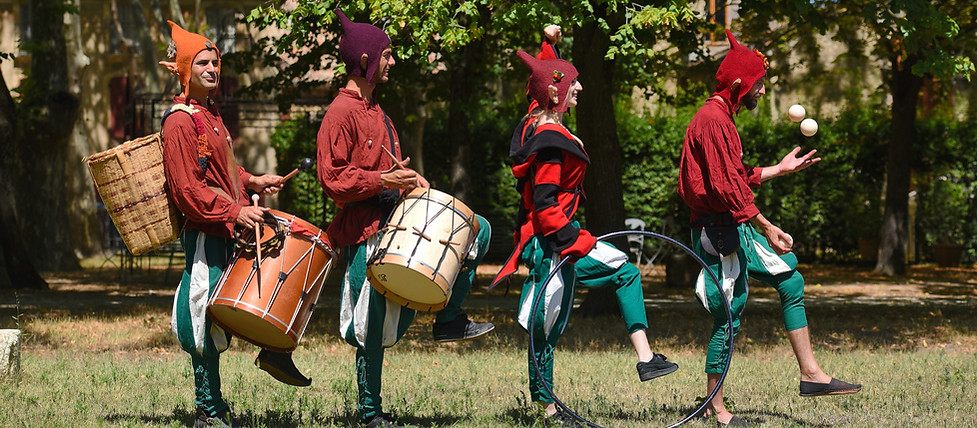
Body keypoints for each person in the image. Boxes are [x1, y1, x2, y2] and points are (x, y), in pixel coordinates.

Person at [315, 10, 494, 427]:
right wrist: (384, 180)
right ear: (365, 60)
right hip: (365, 232)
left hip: (395, 223)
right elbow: (332, 179)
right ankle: (370, 413)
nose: (393, 62)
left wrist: (410, 182)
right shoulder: (339, 113)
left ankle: (449, 317)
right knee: (370, 325)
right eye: (388, 55)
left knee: (476, 231)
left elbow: (387, 170)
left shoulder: (379, 110)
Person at [677, 29, 861, 427]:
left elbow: (734, 176)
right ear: (739, 85)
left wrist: (779, 168)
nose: (762, 91)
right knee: (730, 312)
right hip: (717, 233)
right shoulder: (712, 120)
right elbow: (725, 188)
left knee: (790, 280)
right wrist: (765, 225)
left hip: (734, 226)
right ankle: (715, 408)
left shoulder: (722, 118)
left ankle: (811, 375)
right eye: (758, 84)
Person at [491, 45, 678, 426]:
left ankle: (646, 359)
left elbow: (544, 76)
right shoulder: (549, 141)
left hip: (565, 238)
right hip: (552, 243)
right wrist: (573, 243)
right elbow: (545, 205)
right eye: (573, 83)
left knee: (625, 271)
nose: (580, 88)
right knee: (544, 327)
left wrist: (550, 45)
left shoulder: (544, 126)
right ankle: (548, 409)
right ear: (555, 92)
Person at [159, 21, 311, 428]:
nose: (212, 69)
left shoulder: (210, 113)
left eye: (215, 63)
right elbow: (187, 190)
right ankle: (208, 410)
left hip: (226, 230)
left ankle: (275, 350)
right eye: (203, 63)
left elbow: (220, 171)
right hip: (206, 235)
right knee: (202, 319)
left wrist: (252, 181)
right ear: (186, 69)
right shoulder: (178, 122)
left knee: (254, 295)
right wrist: (234, 212)